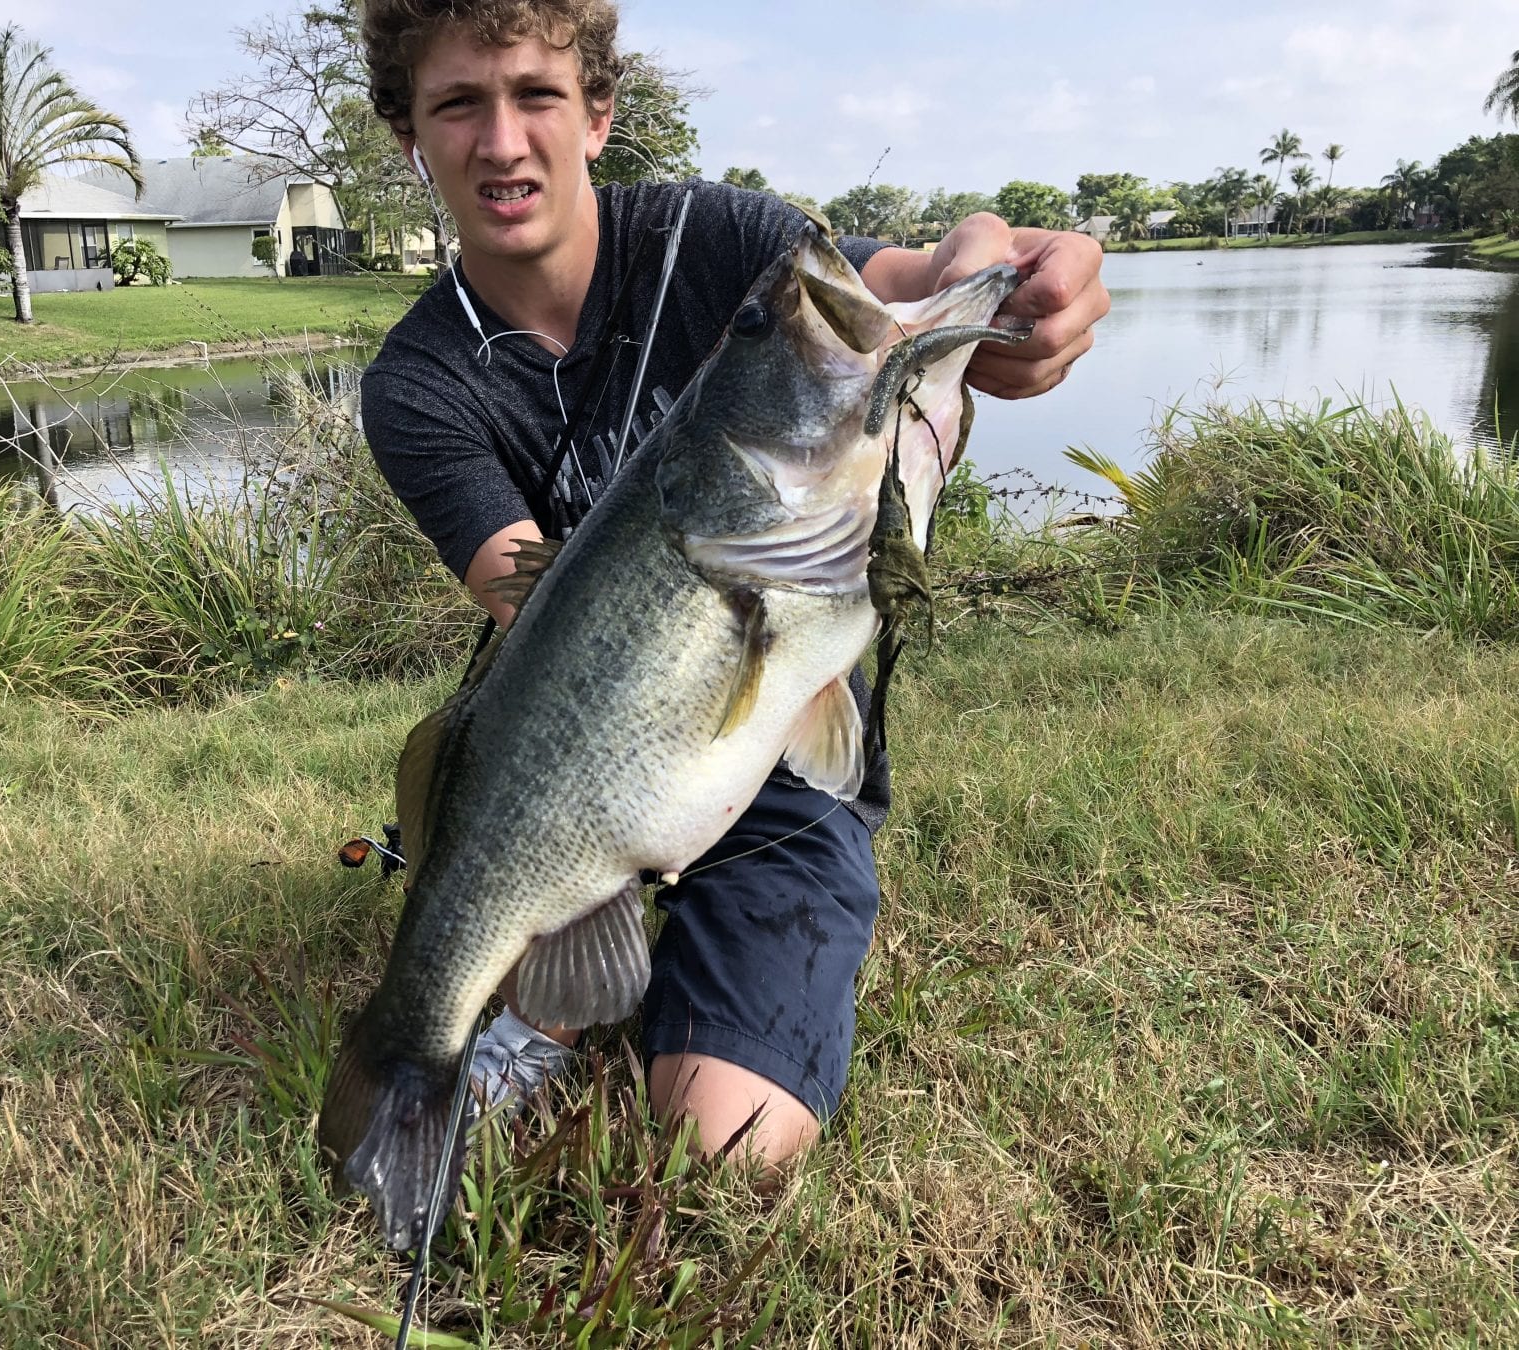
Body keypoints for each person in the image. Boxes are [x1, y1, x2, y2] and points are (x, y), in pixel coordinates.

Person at [356, 0, 1109, 1167]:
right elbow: (530, 599)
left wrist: (989, 278)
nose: (503, 141)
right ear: (412, 135)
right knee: (506, 917)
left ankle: (667, 957)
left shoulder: (722, 239)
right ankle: (482, 1014)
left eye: (537, 95)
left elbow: (898, 287)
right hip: (584, 747)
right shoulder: (418, 383)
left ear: (598, 114)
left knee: (731, 1148)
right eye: (459, 103)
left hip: (772, 732)